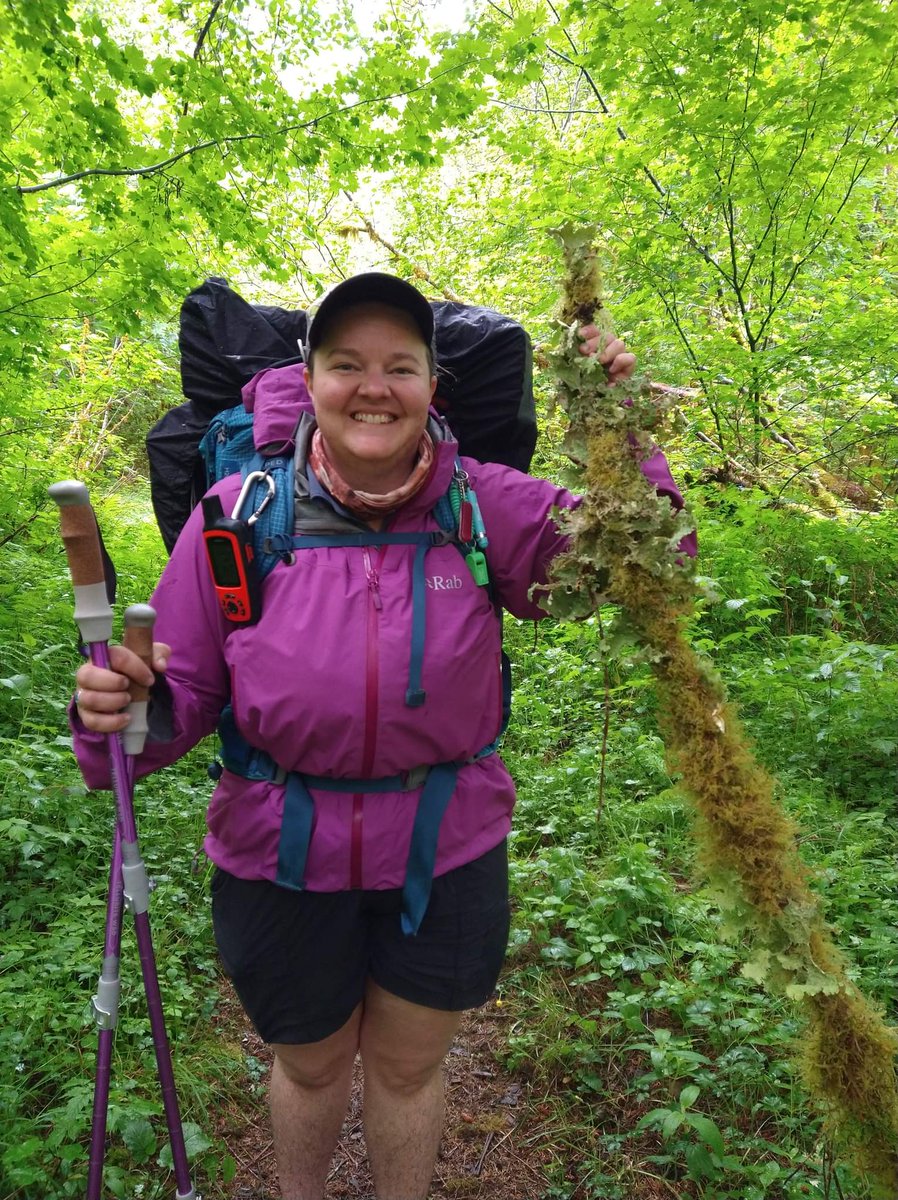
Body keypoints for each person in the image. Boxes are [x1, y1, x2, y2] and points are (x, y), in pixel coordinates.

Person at [71, 273, 689, 1200]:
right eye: (347, 363)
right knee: (311, 1068)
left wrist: (621, 425)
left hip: (444, 848)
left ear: (433, 387)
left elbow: (653, 562)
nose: (374, 386)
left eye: (401, 365)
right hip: (277, 855)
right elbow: (183, 696)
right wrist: (117, 710)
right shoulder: (237, 517)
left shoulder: (484, 506)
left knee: (406, 1069)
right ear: (310, 380)